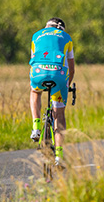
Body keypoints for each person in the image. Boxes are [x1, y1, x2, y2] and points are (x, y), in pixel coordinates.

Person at [29, 17, 75, 166]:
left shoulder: (36, 36)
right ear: (62, 28)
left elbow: (33, 61)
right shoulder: (67, 38)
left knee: (35, 92)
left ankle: (36, 127)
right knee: (59, 115)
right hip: (59, 75)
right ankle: (59, 156)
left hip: (38, 72)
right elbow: (71, 67)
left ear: (46, 26)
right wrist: (66, 86)